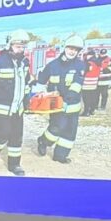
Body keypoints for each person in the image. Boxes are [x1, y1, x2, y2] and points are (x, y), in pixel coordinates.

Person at [0, 30, 32, 176]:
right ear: (10, 46)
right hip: (1, 108)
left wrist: (27, 101)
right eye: (17, 46)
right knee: (4, 133)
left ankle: (14, 165)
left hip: (18, 108)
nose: (20, 50)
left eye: (23, 47)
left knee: (17, 136)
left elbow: (26, 83)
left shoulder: (24, 63)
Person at [36, 34, 85, 164]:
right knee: (56, 128)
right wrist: (40, 96)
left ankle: (60, 156)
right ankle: (43, 141)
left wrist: (67, 100)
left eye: (75, 50)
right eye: (70, 48)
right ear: (65, 48)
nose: (72, 52)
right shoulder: (52, 65)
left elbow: (77, 84)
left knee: (70, 132)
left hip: (72, 104)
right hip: (55, 103)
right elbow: (41, 82)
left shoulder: (80, 65)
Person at [80, 50, 100, 116]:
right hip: (94, 83)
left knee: (86, 99)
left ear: (89, 55)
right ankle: (92, 111)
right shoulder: (98, 62)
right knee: (92, 98)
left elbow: (83, 72)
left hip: (87, 83)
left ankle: (86, 112)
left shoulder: (89, 63)